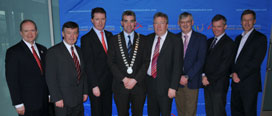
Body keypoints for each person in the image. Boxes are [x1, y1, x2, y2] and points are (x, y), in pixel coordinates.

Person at [107, 10, 149, 116]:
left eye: (131, 21)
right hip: (120, 86)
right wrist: (124, 79)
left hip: (138, 85)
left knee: (138, 113)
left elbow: (146, 62)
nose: (129, 24)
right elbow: (111, 62)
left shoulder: (144, 40)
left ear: (135, 23)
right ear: (121, 23)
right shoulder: (113, 40)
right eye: (126, 21)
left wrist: (135, 80)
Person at [5, 19, 49, 116]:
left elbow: (46, 74)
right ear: (21, 32)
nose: (30, 33)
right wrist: (18, 103)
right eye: (26, 31)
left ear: (36, 32)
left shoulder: (43, 49)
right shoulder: (13, 52)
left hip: (45, 102)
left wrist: (49, 94)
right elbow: (12, 80)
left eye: (32, 30)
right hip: (27, 104)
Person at [45, 21, 88, 116]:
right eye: (69, 33)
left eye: (75, 33)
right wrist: (56, 98)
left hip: (78, 100)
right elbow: (50, 77)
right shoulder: (53, 52)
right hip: (63, 101)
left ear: (77, 34)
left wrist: (85, 91)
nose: (72, 36)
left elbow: (83, 73)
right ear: (63, 34)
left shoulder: (80, 51)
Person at [231, 9, 267, 116]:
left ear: (254, 21)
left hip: (249, 84)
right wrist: (233, 73)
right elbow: (233, 59)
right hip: (235, 83)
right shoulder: (238, 38)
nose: (246, 23)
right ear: (241, 22)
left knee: (249, 112)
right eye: (244, 20)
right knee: (236, 112)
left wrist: (239, 75)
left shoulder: (260, 38)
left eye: (249, 20)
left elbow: (256, 62)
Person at [146, 12, 183, 116]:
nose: (158, 26)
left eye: (162, 23)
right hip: (150, 84)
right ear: (153, 25)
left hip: (166, 87)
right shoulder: (148, 39)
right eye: (156, 23)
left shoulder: (175, 40)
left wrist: (173, 87)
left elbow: (177, 66)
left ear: (167, 25)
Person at [81, 7, 113, 116]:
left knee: (107, 112)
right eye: (97, 19)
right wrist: (94, 85)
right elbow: (88, 64)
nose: (100, 22)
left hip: (109, 83)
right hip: (96, 85)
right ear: (92, 20)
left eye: (103, 19)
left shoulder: (110, 35)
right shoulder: (86, 39)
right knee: (97, 112)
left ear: (106, 19)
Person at [175, 12, 207, 116]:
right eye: (182, 22)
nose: (185, 24)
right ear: (179, 23)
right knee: (180, 112)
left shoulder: (201, 38)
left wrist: (187, 76)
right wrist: (178, 76)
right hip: (177, 82)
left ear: (192, 22)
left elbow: (201, 60)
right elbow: (171, 60)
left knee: (190, 113)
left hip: (192, 81)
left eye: (187, 22)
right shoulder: (173, 38)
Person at [202, 14, 235, 116]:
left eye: (219, 26)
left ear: (225, 27)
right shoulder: (209, 41)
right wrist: (203, 76)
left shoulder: (229, 43)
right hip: (207, 83)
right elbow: (203, 61)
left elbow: (224, 67)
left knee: (218, 112)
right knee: (209, 111)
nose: (216, 29)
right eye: (214, 26)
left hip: (219, 85)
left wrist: (209, 79)